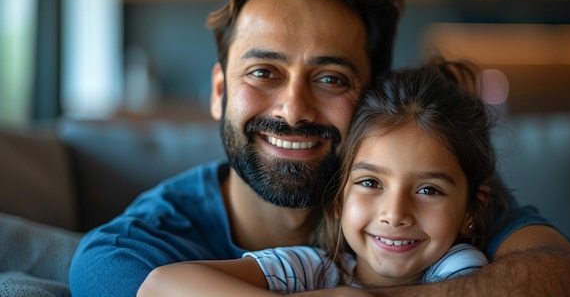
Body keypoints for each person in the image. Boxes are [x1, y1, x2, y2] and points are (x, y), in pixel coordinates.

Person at [69, 0, 570, 296]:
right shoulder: (147, 241)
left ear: (372, 95)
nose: (293, 109)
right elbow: (104, 276)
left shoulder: (432, 202)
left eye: (330, 78)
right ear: (219, 92)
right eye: (263, 72)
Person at [136, 59, 510, 296]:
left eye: (429, 189)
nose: (395, 214)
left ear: (470, 211)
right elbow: (160, 284)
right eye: (370, 183)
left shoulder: (460, 269)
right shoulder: (315, 270)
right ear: (337, 200)